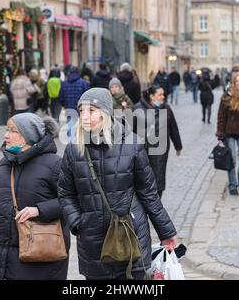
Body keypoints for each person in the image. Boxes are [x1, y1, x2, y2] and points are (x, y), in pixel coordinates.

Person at [58, 88, 178, 280]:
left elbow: (149, 193)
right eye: (81, 111)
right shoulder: (74, 150)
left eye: (91, 111)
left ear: (105, 113)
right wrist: (79, 222)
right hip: (93, 242)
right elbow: (65, 192)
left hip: (132, 236)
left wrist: (166, 231)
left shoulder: (132, 144)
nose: (85, 117)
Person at [0, 113, 70, 280]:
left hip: (38, 255)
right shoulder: (5, 164)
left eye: (12, 131)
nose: (5, 135)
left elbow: (71, 201)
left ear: (27, 136)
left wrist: (39, 210)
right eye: (6, 129)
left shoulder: (54, 164)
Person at [134, 86, 183, 198]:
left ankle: (157, 204)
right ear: (151, 96)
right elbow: (130, 130)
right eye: (160, 95)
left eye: (163, 94)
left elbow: (173, 128)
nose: (163, 97)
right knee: (143, 177)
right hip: (142, 150)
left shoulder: (167, 108)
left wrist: (178, 146)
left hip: (161, 150)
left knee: (159, 176)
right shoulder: (138, 108)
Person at [216, 73, 239, 197]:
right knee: (232, 159)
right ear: (233, 83)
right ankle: (233, 185)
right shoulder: (226, 97)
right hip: (229, 132)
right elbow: (221, 116)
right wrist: (220, 133)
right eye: (237, 81)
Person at [59, 66, 90, 141]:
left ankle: (72, 143)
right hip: (81, 108)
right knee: (83, 125)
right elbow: (88, 96)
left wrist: (64, 104)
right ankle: (83, 142)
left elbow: (61, 96)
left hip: (69, 107)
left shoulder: (64, 83)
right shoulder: (83, 83)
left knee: (70, 125)